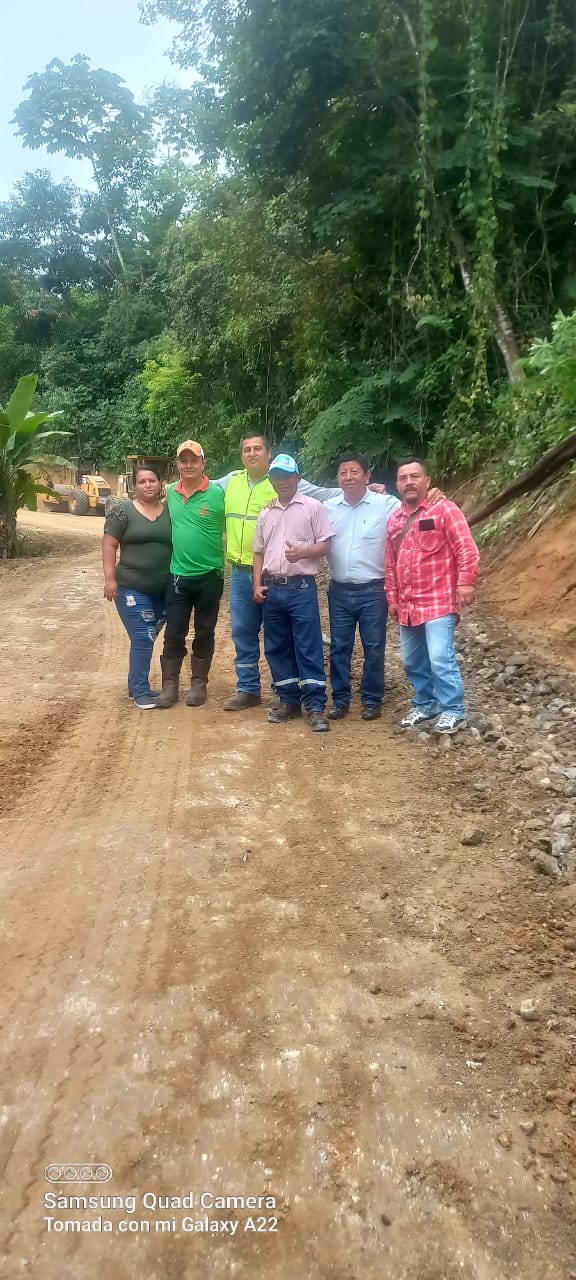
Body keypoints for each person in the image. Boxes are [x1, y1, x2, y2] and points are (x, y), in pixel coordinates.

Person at [214, 432, 342, 710]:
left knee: (286, 636)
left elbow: (326, 493)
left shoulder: (291, 486)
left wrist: (366, 490)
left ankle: (295, 694)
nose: (252, 453)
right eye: (246, 449)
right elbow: (202, 484)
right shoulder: (231, 481)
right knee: (244, 632)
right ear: (241, 455)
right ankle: (249, 689)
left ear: (268, 453)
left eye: (257, 448)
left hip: (281, 577)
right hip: (242, 573)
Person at [385, 456, 479, 735]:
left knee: (439, 657)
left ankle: (454, 710)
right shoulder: (394, 520)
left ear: (427, 481)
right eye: (403, 478)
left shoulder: (445, 510)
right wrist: (392, 597)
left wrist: (466, 583)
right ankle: (426, 704)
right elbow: (390, 562)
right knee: (411, 660)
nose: (409, 482)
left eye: (415, 477)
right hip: (409, 605)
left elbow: (466, 548)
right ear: (397, 485)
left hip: (439, 600)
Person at [252, 454, 335, 733]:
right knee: (277, 646)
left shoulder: (313, 507)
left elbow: (326, 545)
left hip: (301, 588)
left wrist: (303, 552)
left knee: (308, 646)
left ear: (298, 478)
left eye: (287, 476)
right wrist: (256, 585)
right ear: (271, 480)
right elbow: (258, 552)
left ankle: (315, 706)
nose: (282, 481)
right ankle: (288, 700)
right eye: (277, 476)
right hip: (273, 589)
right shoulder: (266, 513)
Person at [325, 452, 400, 721]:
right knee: (339, 647)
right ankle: (340, 700)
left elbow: (413, 512)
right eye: (343, 472)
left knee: (374, 646)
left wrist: (435, 494)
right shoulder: (328, 508)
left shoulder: (386, 505)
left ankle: (371, 699)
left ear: (367, 476)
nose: (348, 477)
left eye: (354, 472)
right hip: (339, 590)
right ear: (337, 478)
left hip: (373, 590)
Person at [156, 440, 225, 709]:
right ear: (177, 464)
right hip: (178, 576)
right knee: (174, 631)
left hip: (210, 576)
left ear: (203, 463)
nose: (188, 465)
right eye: (183, 460)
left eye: (193, 460)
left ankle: (198, 683)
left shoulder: (218, 493)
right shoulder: (170, 493)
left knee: (205, 630)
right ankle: (169, 686)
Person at [102, 464, 172, 709]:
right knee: (143, 637)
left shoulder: (170, 511)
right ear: (134, 486)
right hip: (130, 587)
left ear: (160, 483)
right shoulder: (123, 512)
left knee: (148, 637)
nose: (148, 485)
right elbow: (109, 544)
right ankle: (140, 692)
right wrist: (110, 578)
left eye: (152, 480)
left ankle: (136, 685)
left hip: (162, 589)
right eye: (142, 481)